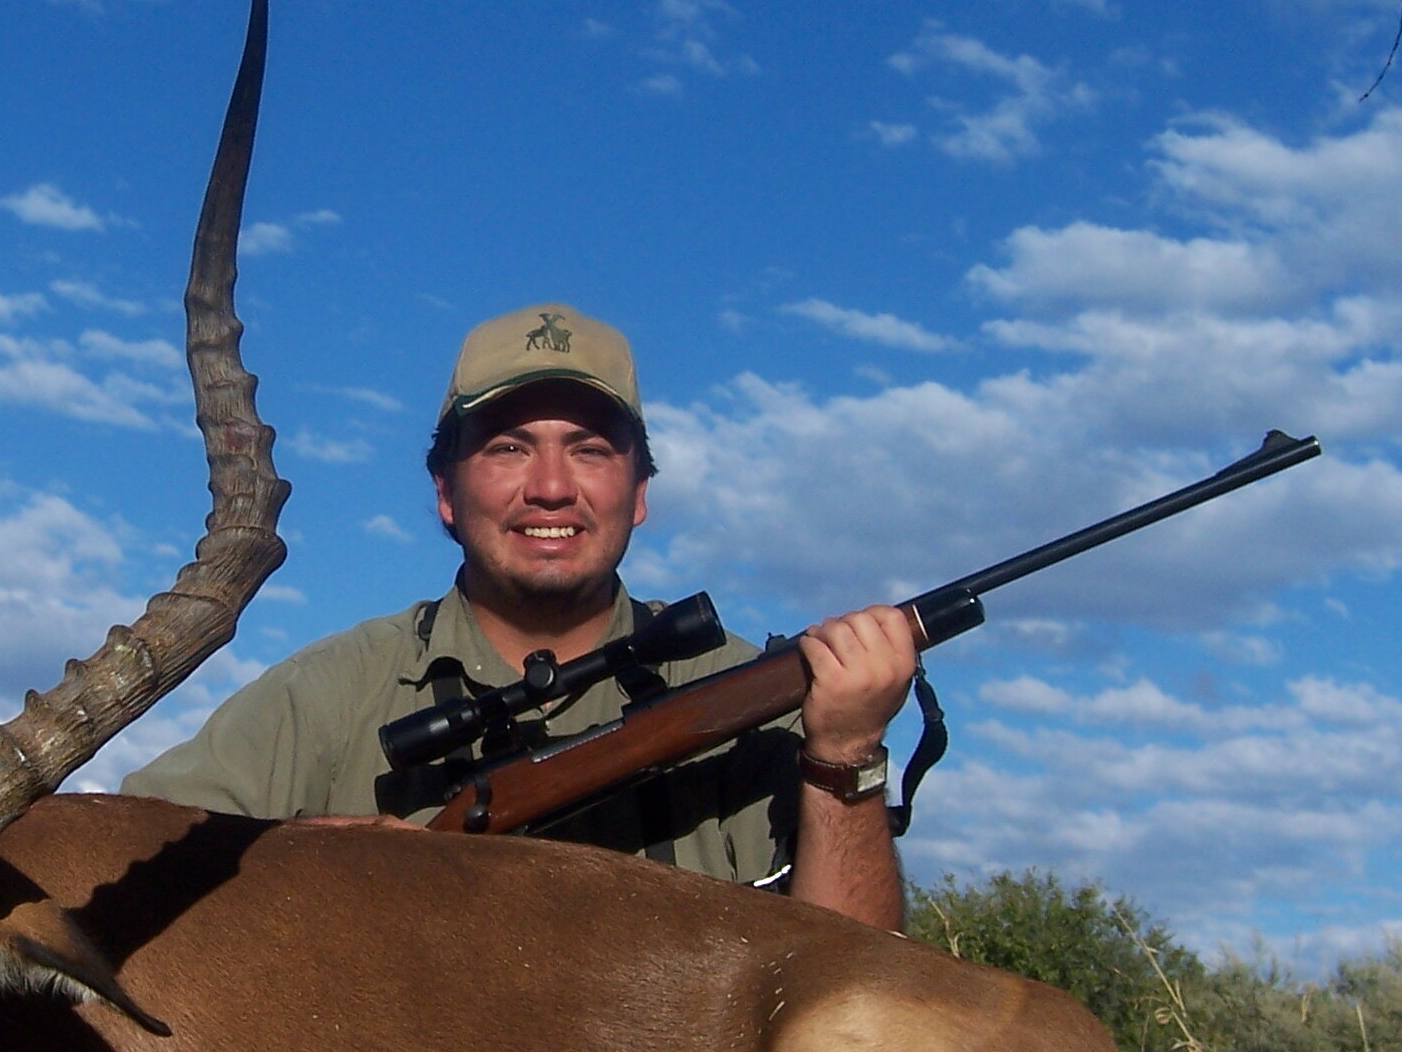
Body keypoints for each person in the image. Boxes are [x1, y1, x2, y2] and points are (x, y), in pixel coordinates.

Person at [123, 303, 919, 931]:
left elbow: (863, 997)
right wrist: (315, 864)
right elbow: (116, 848)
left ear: (639, 493)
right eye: (507, 448)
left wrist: (847, 751)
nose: (549, 487)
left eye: (590, 450)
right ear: (444, 491)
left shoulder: (746, 692)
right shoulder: (329, 693)